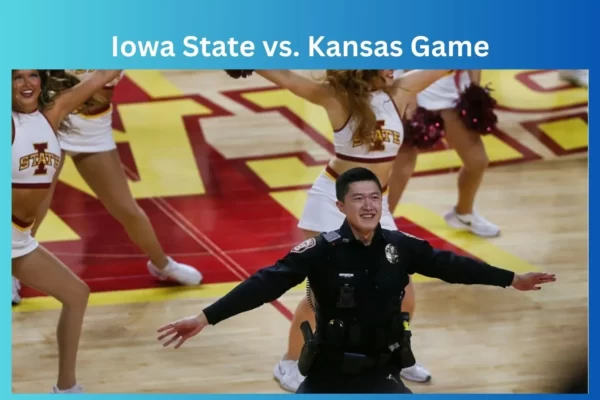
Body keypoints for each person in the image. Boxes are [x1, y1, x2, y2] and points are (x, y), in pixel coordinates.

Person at [156, 167, 556, 394]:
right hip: (328, 374)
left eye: (375, 198)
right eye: (358, 199)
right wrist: (205, 318)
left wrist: (511, 279)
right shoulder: (320, 250)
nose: (368, 205)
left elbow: (454, 266)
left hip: (382, 372)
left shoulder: (402, 247)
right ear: (340, 206)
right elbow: (263, 284)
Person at [224, 69, 458, 389]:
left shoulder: (400, 91)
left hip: (375, 205)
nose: (394, 68)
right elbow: (288, 80)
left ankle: (392, 356)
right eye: (386, 62)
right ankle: (290, 362)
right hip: (332, 201)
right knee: (325, 295)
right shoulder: (336, 98)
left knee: (401, 288)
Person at [12, 70, 203, 304]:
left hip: (94, 132)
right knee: (34, 210)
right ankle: (10, 272)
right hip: (49, 125)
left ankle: (162, 264)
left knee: (126, 209)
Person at [12, 69, 123, 393]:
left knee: (76, 294)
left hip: (18, 239)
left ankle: (66, 389)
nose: (27, 83)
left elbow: (102, 75)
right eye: (17, 78)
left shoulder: (53, 113)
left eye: (32, 76)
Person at [388, 70, 500, 238]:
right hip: (414, 91)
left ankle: (464, 213)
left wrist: (475, 89)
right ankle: (380, 225)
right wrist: (408, 93)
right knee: (402, 169)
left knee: (477, 161)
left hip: (453, 97)